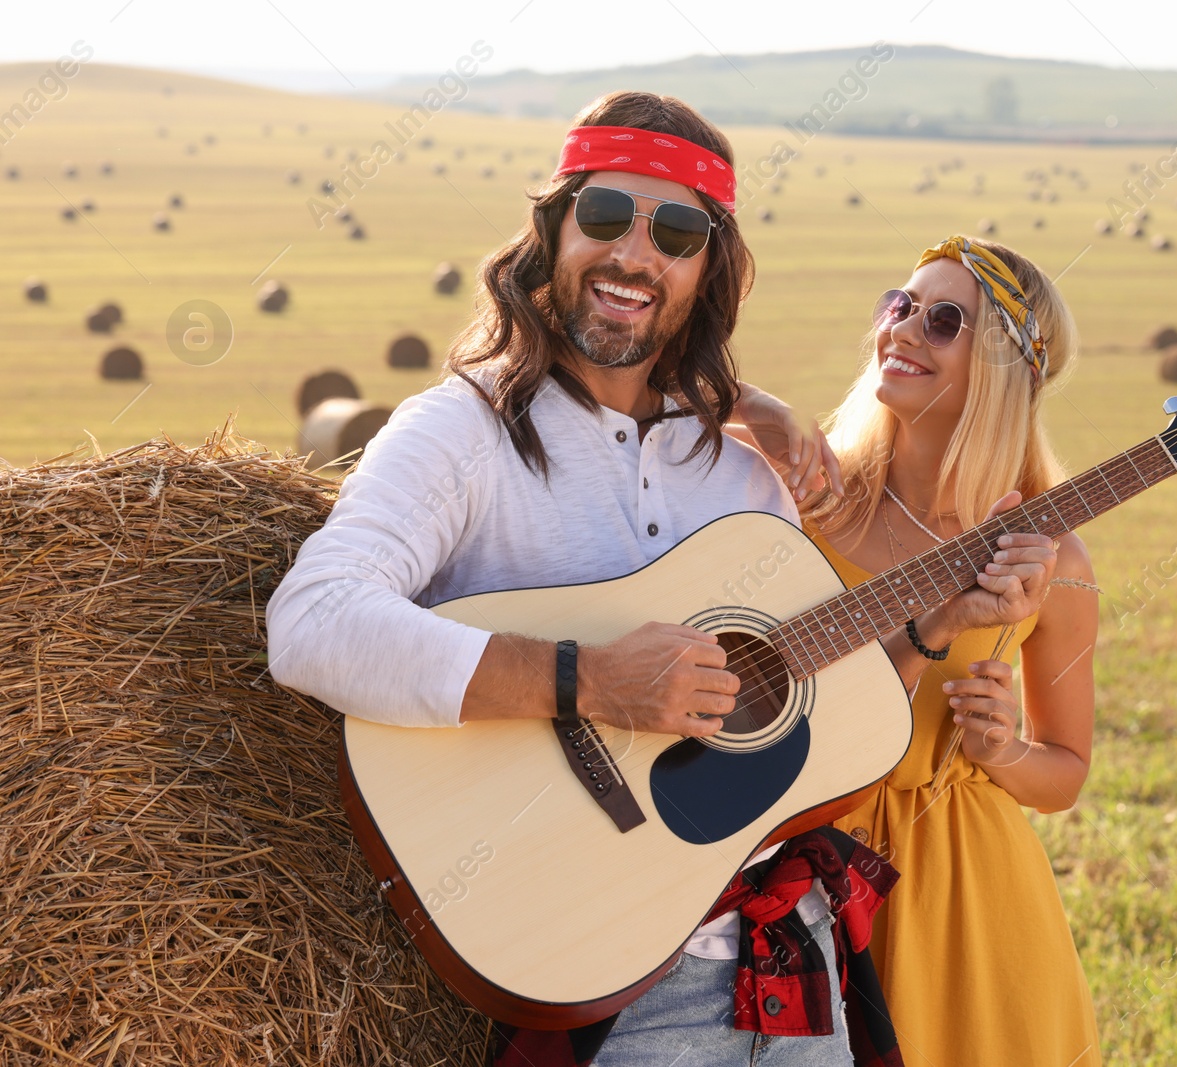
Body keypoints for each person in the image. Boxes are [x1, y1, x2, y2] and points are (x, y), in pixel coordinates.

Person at [265, 90, 1057, 1067]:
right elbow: (314, 620)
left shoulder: (739, 469)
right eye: (605, 217)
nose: (635, 254)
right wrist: (583, 678)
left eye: (675, 231)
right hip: (603, 969)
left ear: (706, 269)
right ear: (551, 235)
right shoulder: (460, 432)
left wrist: (929, 630)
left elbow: (806, 721)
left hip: (789, 959)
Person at [782, 235, 1103, 1066]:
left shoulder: (1050, 559)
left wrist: (1005, 748)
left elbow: (1064, 772)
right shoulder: (804, 499)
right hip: (796, 855)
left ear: (1001, 367)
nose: (904, 328)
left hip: (969, 895)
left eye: (944, 318)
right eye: (900, 303)